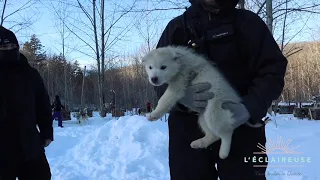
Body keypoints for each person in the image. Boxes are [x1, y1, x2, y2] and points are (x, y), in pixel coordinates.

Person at [154, 0, 288, 179]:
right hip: (188, 133)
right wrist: (181, 97)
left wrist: (249, 107)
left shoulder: (248, 24)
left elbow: (273, 71)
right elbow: (157, 78)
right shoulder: (178, 28)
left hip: (242, 129)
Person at [0, 26, 53, 179]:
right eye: (3, 47)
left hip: (29, 143)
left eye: (12, 46)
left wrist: (47, 131)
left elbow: (42, 103)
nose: (8, 49)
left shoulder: (30, 74)